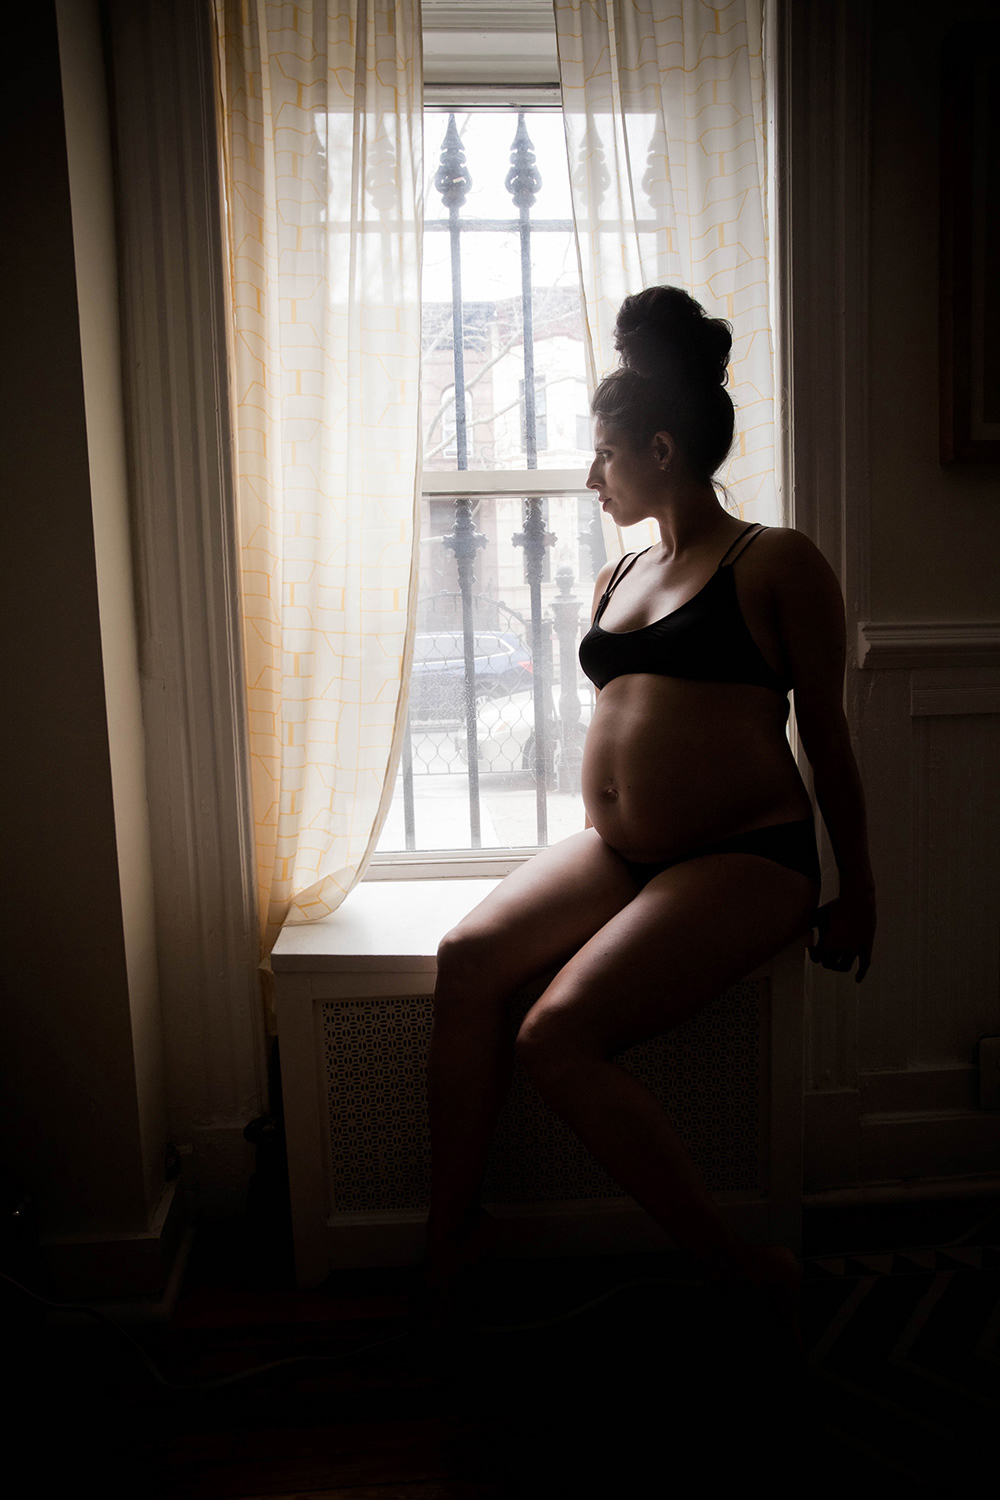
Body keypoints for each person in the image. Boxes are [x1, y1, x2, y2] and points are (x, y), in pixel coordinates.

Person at [422, 286, 877, 1348]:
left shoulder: (778, 561)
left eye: (604, 456)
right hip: (621, 853)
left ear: (660, 450)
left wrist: (860, 887)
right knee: (465, 961)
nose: (592, 478)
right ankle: (452, 1240)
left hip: (746, 857)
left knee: (555, 1037)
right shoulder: (618, 571)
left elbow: (829, 738)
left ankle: (738, 1270)